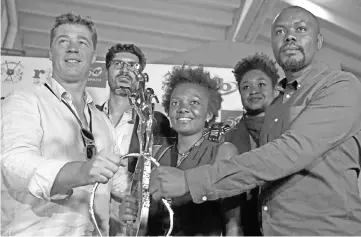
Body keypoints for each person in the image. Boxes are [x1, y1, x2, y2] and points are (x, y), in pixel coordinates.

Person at [149, 6, 361, 236]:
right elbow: (262, 174)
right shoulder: (277, 105)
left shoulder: (339, 86)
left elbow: (288, 152)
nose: (290, 36)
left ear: (318, 41)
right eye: (280, 31)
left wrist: (192, 181)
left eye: (300, 29)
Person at [1, 12, 122, 236]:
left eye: (82, 42)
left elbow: (114, 182)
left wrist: (138, 194)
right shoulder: (24, 100)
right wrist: (79, 171)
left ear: (93, 56)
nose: (73, 48)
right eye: (63, 41)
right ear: (50, 52)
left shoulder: (102, 121)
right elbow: (14, 165)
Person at [117, 65, 242, 236]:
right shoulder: (155, 153)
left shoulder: (223, 151)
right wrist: (131, 212)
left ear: (209, 113)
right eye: (176, 102)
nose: (183, 108)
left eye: (194, 102)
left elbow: (233, 221)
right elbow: (140, 212)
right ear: (168, 111)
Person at [96, 43, 173, 235]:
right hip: (88, 216)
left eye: (133, 66)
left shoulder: (154, 121)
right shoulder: (89, 117)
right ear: (107, 70)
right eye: (118, 64)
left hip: (130, 223)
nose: (125, 70)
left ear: (141, 76)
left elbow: (158, 174)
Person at [225, 52, 279, 236]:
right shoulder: (230, 137)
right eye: (246, 87)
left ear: (275, 89)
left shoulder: (292, 129)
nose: (253, 91)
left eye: (261, 84)